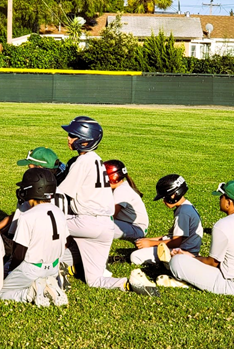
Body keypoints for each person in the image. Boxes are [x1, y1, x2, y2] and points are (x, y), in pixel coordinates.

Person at [58, 116, 159, 296]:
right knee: (95, 280)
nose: (69, 139)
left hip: (86, 222)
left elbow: (61, 196)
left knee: (46, 224)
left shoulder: (82, 161)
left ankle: (42, 270)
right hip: (106, 227)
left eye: (73, 136)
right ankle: (128, 284)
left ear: (85, 140)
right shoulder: (97, 159)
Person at [164, 180, 234, 295]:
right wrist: (191, 256)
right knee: (185, 259)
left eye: (221, 197)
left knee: (177, 261)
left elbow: (212, 263)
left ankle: (185, 280)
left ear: (229, 202)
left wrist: (190, 258)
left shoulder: (223, 224)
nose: (219, 200)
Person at [0, 168, 70, 306]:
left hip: (31, 269)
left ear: (32, 190)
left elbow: (20, 252)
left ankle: (30, 293)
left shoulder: (27, 216)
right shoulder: (58, 212)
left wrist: (12, 271)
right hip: (54, 266)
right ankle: (49, 284)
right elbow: (68, 240)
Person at [0, 147, 70, 266]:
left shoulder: (33, 195)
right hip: (56, 254)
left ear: (39, 169)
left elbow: (14, 232)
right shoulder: (61, 193)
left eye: (29, 167)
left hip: (32, 255)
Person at [130, 174, 203, 269]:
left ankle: (163, 265)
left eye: (165, 197)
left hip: (182, 252)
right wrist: (149, 240)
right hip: (187, 249)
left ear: (174, 195)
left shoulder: (183, 212)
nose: (164, 201)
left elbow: (176, 242)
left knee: (135, 256)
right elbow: (174, 237)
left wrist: (149, 244)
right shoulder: (186, 206)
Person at [104, 159, 149, 242]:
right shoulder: (122, 186)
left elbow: (111, 215)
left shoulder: (121, 190)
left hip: (136, 228)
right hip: (128, 224)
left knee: (100, 226)